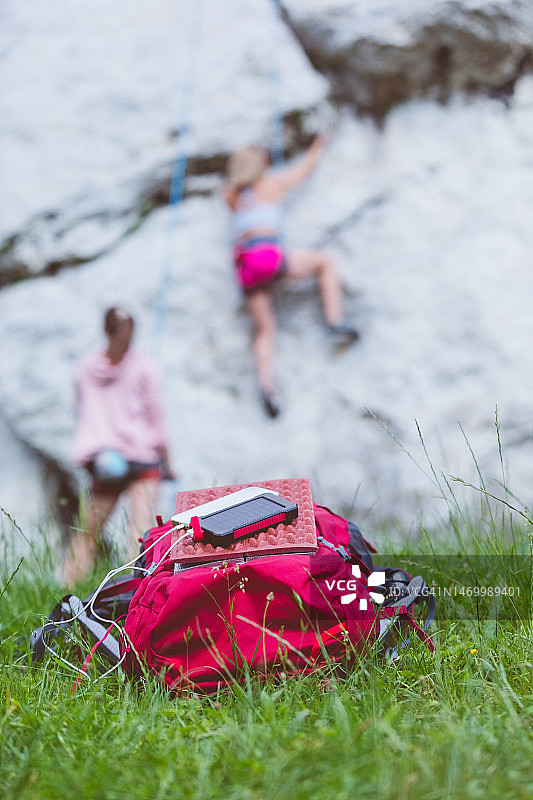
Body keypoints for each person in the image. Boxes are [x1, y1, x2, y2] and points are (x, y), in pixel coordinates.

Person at [223, 134, 359, 417]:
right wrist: (318, 146)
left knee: (265, 329)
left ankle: (266, 388)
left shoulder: (231, 196)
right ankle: (335, 321)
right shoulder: (270, 185)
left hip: (245, 266)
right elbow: (303, 171)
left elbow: (235, 186)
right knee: (325, 262)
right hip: (267, 255)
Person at [64, 307, 175, 584]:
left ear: (105, 329)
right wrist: (168, 462)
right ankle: (138, 593)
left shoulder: (85, 368)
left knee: (86, 534)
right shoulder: (144, 366)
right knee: (140, 534)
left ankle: (63, 593)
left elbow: (82, 410)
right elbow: (156, 418)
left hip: (107, 463)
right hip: (143, 459)